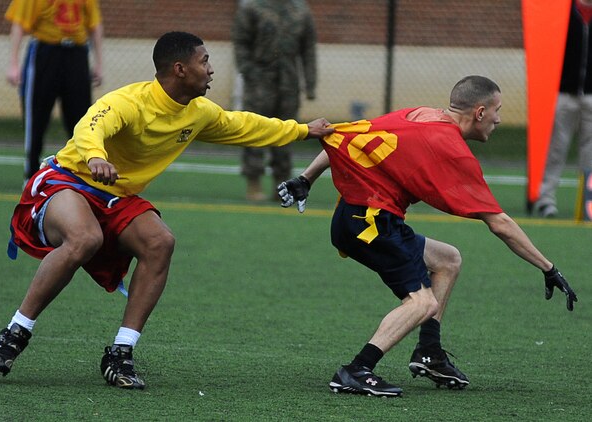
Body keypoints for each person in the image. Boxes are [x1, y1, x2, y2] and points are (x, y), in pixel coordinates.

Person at [0, 31, 333, 390]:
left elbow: (246, 125)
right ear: (180, 69)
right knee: (84, 238)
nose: (211, 70)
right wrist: (95, 156)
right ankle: (15, 333)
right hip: (69, 181)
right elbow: (91, 127)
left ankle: (121, 352)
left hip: (117, 196)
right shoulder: (128, 102)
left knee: (160, 242)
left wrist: (306, 130)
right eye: (205, 61)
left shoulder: (199, 113)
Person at [277, 75, 578, 397]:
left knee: (447, 259)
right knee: (422, 302)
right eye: (497, 110)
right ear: (479, 112)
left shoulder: (418, 115)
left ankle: (429, 353)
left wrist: (306, 178)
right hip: (370, 222)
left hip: (361, 218)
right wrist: (548, 268)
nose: (499, 119)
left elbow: (348, 133)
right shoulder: (450, 148)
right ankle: (356, 370)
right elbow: (500, 223)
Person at [4, 0, 104, 183]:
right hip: (46, 51)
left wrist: (98, 63)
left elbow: (94, 25)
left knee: (82, 121)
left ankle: (82, 177)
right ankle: (31, 177)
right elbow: (19, 23)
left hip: (76, 53)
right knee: (36, 118)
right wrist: (13, 63)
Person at [232, 0, 317, 201]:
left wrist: (310, 84)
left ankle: (281, 185)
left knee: (287, 133)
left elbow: (308, 49)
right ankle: (254, 183)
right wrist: (248, 71)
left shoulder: (300, 10)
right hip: (259, 82)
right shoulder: (251, 7)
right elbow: (240, 41)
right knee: (254, 131)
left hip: (289, 82)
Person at [535, 0, 592, 218]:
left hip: (590, 95)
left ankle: (587, 204)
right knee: (557, 147)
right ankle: (546, 199)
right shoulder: (564, 12)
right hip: (564, 93)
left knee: (590, 153)